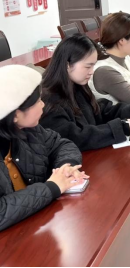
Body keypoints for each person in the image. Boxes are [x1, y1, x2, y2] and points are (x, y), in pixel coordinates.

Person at [0, 65, 88, 232]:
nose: (43, 104)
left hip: (37, 222)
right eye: (37, 101)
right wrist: (52, 187)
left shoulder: (29, 130)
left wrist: (65, 167)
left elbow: (61, 144)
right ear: (16, 115)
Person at [41, 34, 130, 151]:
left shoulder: (77, 86)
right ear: (67, 65)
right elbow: (75, 137)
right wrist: (120, 128)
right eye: (88, 67)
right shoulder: (48, 100)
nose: (92, 72)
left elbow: (97, 111)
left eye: (93, 66)